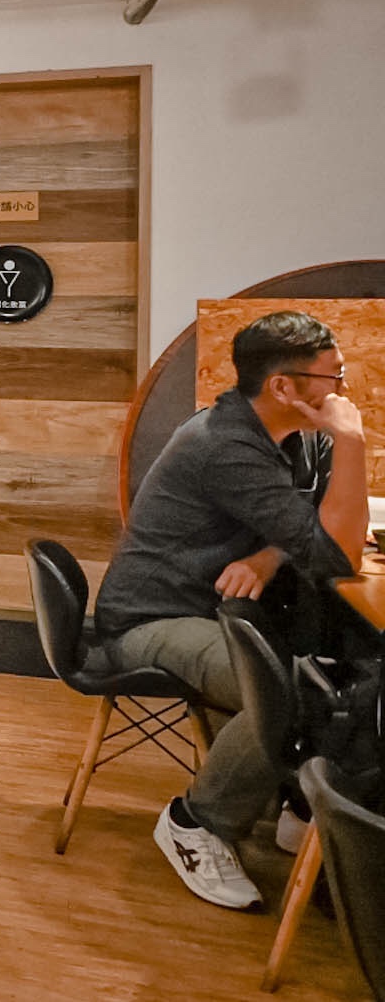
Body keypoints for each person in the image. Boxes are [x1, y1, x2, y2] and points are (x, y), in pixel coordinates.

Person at [94, 311, 369, 910]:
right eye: (334, 376)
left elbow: (309, 524)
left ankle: (297, 806)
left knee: (323, 664)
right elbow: (338, 552)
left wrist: (269, 556)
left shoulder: (275, 433)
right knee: (285, 691)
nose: (342, 391)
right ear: (282, 387)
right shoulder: (226, 446)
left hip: (205, 609)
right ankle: (196, 821)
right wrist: (353, 439)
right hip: (147, 620)